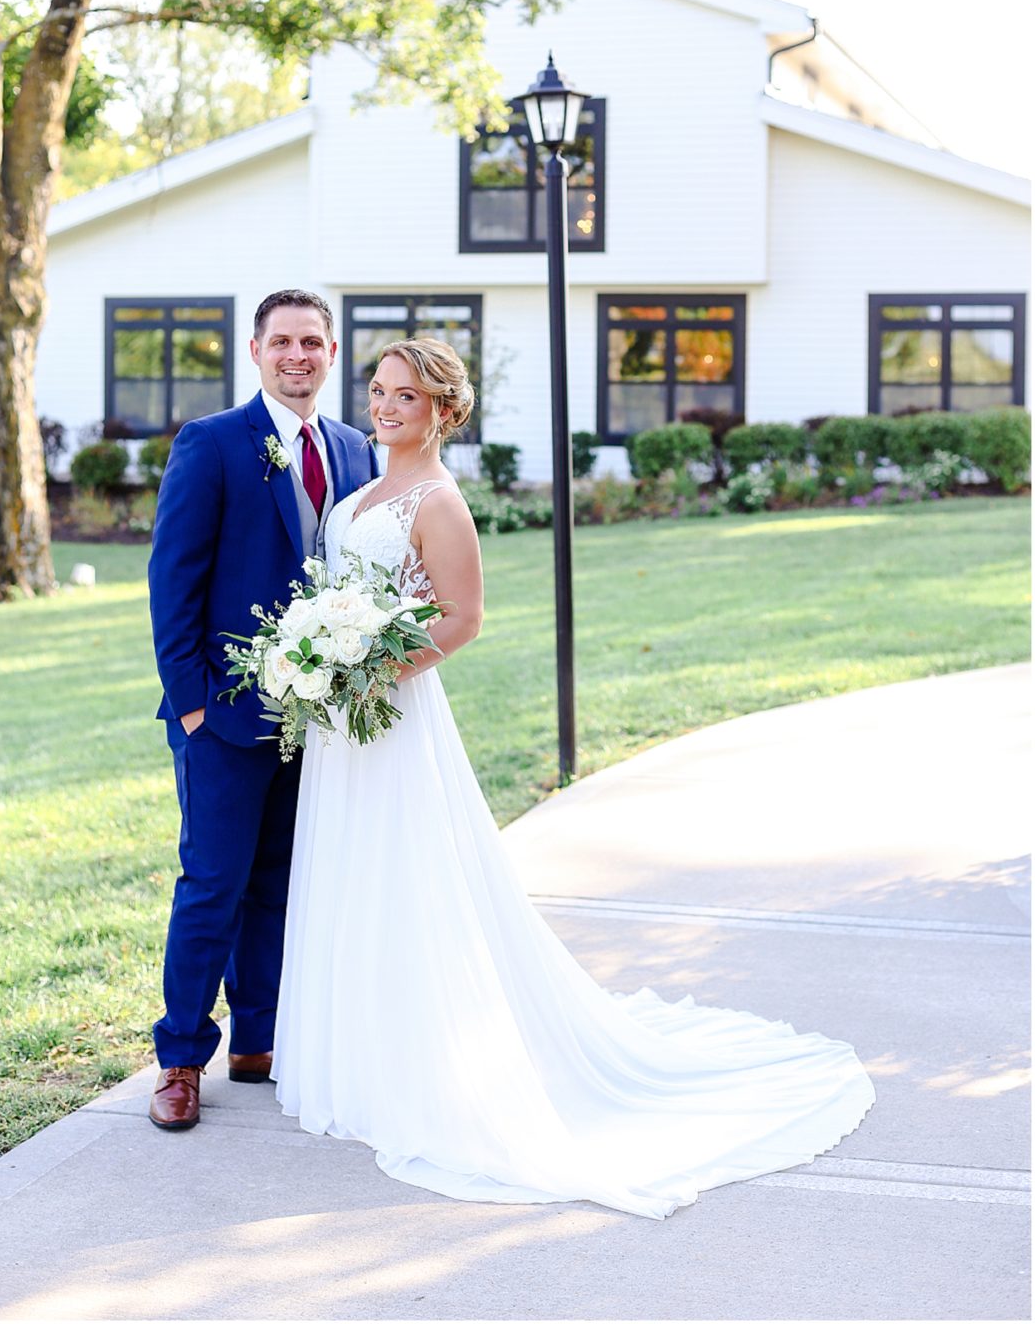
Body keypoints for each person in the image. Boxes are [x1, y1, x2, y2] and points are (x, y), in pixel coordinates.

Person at [272, 338, 876, 1219]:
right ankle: (359, 1049)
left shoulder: (437, 502)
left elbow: (463, 618)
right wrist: (320, 655)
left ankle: (425, 1061)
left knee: (407, 875)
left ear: (443, 410)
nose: (386, 404)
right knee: (349, 873)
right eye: (378, 389)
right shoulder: (363, 492)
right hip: (340, 722)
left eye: (406, 394)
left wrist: (369, 670)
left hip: (391, 717)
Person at [147, 289, 378, 1130]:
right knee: (212, 883)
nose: (298, 355)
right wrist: (194, 707)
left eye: (313, 342)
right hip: (225, 713)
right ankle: (178, 1059)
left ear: (329, 351)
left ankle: (259, 1038)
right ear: (254, 350)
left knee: (281, 882)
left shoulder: (356, 449)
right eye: (282, 341)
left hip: (316, 717)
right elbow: (173, 580)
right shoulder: (211, 444)